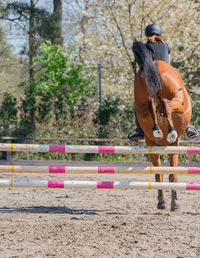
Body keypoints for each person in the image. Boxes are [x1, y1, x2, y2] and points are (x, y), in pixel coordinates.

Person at [129, 23, 198, 142]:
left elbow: (145, 66)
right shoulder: (166, 47)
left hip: (153, 77)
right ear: (159, 34)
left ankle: (140, 131)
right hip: (169, 77)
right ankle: (188, 126)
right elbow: (168, 65)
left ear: (147, 35)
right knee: (187, 98)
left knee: (138, 104)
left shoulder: (145, 47)